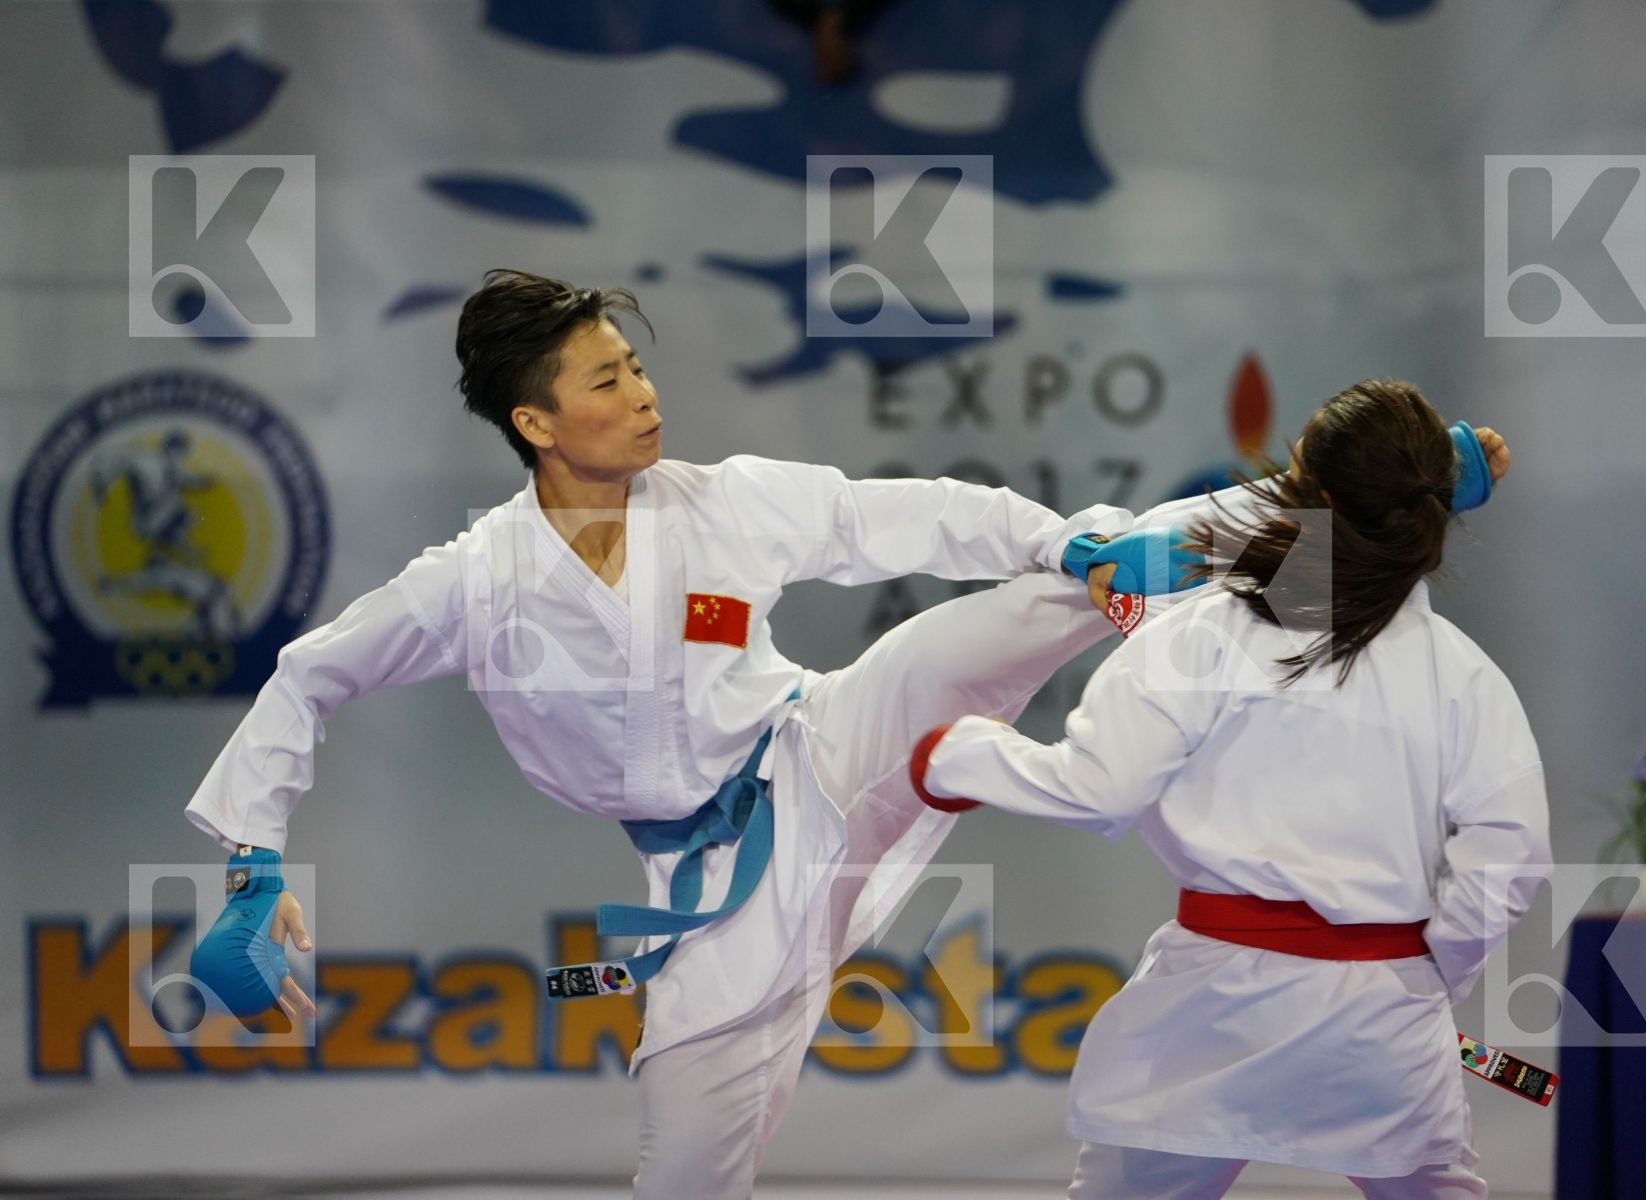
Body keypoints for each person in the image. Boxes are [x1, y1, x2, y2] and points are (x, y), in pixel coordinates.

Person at [183, 268, 1208, 1197]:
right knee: (682, 1177)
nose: (642, 396)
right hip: (705, 891)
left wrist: (1054, 539)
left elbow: (900, 515)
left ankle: (1256, 542)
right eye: (605, 382)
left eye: (636, 368)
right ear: (536, 422)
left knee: (1020, 605)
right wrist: (252, 870)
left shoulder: (726, 501)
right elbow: (309, 675)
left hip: (822, 748)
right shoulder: (473, 582)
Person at [911, 379, 1545, 1200]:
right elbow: (1515, 858)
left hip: (1213, 1012)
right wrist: (1427, 973)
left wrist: (952, 755)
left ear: (1308, 494)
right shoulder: (1462, 671)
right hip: (1381, 1021)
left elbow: (1098, 789)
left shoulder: (1205, 633)